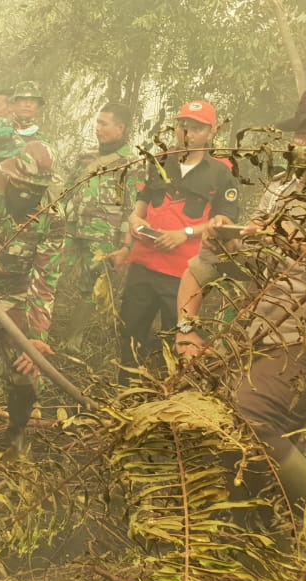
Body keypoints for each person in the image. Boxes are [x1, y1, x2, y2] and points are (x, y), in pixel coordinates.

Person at [175, 85, 306, 514]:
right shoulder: (282, 188)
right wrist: (236, 241)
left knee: (248, 415)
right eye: (304, 133)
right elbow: (238, 257)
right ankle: (247, 515)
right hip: (263, 335)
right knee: (201, 410)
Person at [118, 99, 238, 384]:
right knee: (130, 331)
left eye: (197, 128)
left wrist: (185, 233)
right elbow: (142, 202)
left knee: (179, 337)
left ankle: (168, 391)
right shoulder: (161, 161)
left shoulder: (221, 172)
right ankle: (125, 389)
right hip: (144, 265)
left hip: (182, 275)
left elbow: (224, 221)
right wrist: (135, 221)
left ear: (211, 132)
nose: (189, 134)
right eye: (184, 127)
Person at [0, 140, 64, 456]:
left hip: (12, 291)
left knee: (28, 369)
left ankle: (17, 436)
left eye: (35, 189)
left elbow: (45, 279)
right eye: (21, 185)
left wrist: (36, 337)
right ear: (10, 175)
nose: (27, 194)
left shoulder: (52, 214)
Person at [57, 102, 144, 350]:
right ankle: (41, 330)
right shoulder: (86, 158)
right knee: (53, 273)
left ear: (120, 128)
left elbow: (132, 209)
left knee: (92, 287)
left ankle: (72, 341)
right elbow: (67, 192)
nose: (98, 128)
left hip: (103, 238)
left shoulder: (132, 165)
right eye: (97, 122)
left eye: (104, 124)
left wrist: (125, 246)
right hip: (71, 229)